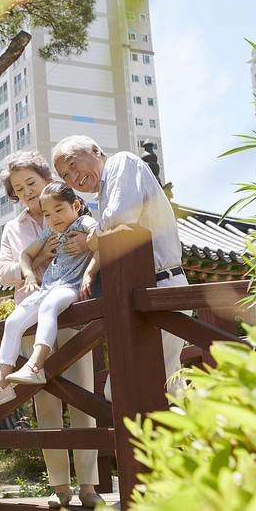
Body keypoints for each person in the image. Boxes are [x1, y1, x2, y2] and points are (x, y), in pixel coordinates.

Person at [0, 151, 103, 509]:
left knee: (83, 399)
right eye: (18, 189)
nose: (26, 192)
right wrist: (36, 260)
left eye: (31, 183)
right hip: (33, 315)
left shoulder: (72, 208)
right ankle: (60, 487)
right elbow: (3, 272)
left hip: (73, 315)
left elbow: (100, 242)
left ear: (44, 177)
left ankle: (89, 486)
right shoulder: (13, 228)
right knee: (45, 406)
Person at [52, 135, 187, 398]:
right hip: (146, 294)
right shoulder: (106, 189)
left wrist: (94, 236)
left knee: (127, 389)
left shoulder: (121, 163)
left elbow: (122, 215)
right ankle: (202, 437)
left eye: (72, 164)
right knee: (168, 388)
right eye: (64, 175)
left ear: (94, 149)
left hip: (160, 288)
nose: (72, 177)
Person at [0, 183, 98, 401]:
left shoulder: (84, 222)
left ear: (76, 205)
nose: (54, 218)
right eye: (47, 214)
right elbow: (25, 255)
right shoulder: (50, 232)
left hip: (69, 287)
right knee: (13, 321)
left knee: (49, 307)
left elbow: (102, 239)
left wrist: (89, 272)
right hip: (47, 288)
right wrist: (30, 276)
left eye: (59, 210)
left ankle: (35, 365)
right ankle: (0, 386)